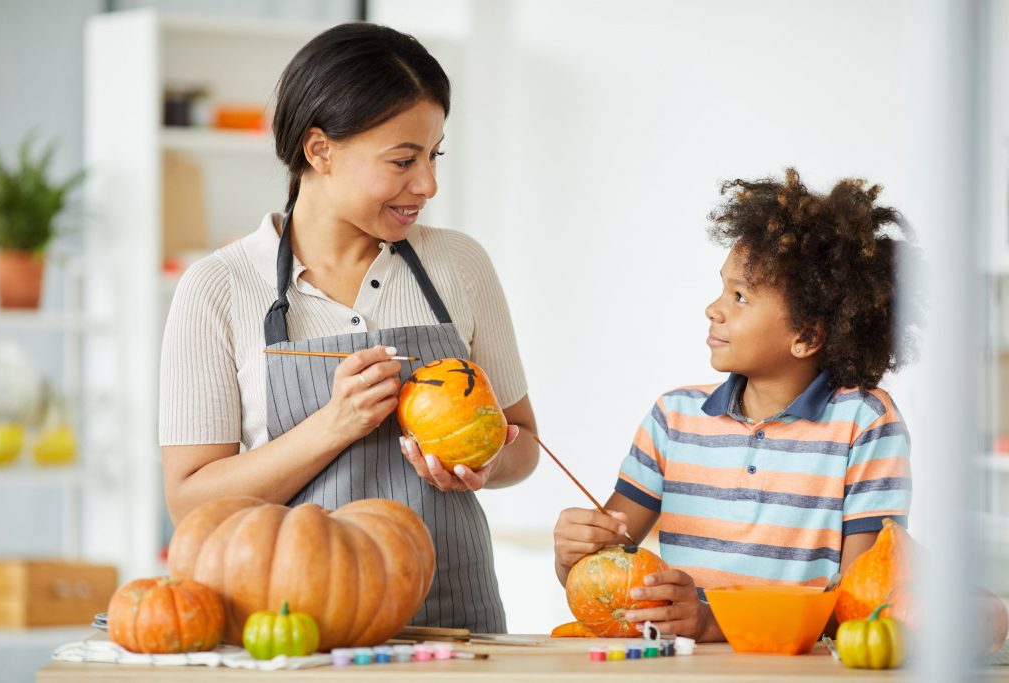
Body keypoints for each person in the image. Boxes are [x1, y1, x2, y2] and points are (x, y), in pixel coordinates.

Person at [159, 22, 538, 633]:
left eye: (434, 155)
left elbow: (522, 441)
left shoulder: (458, 265)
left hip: (457, 625)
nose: (428, 184)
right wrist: (332, 426)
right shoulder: (218, 288)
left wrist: (487, 465)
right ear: (320, 150)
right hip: (300, 629)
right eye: (403, 160)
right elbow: (191, 503)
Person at [553, 169, 918, 641]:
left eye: (741, 296)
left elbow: (862, 604)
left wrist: (714, 622)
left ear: (806, 336)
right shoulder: (673, 419)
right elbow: (605, 582)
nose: (714, 308)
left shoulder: (866, 424)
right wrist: (572, 556)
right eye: (723, 288)